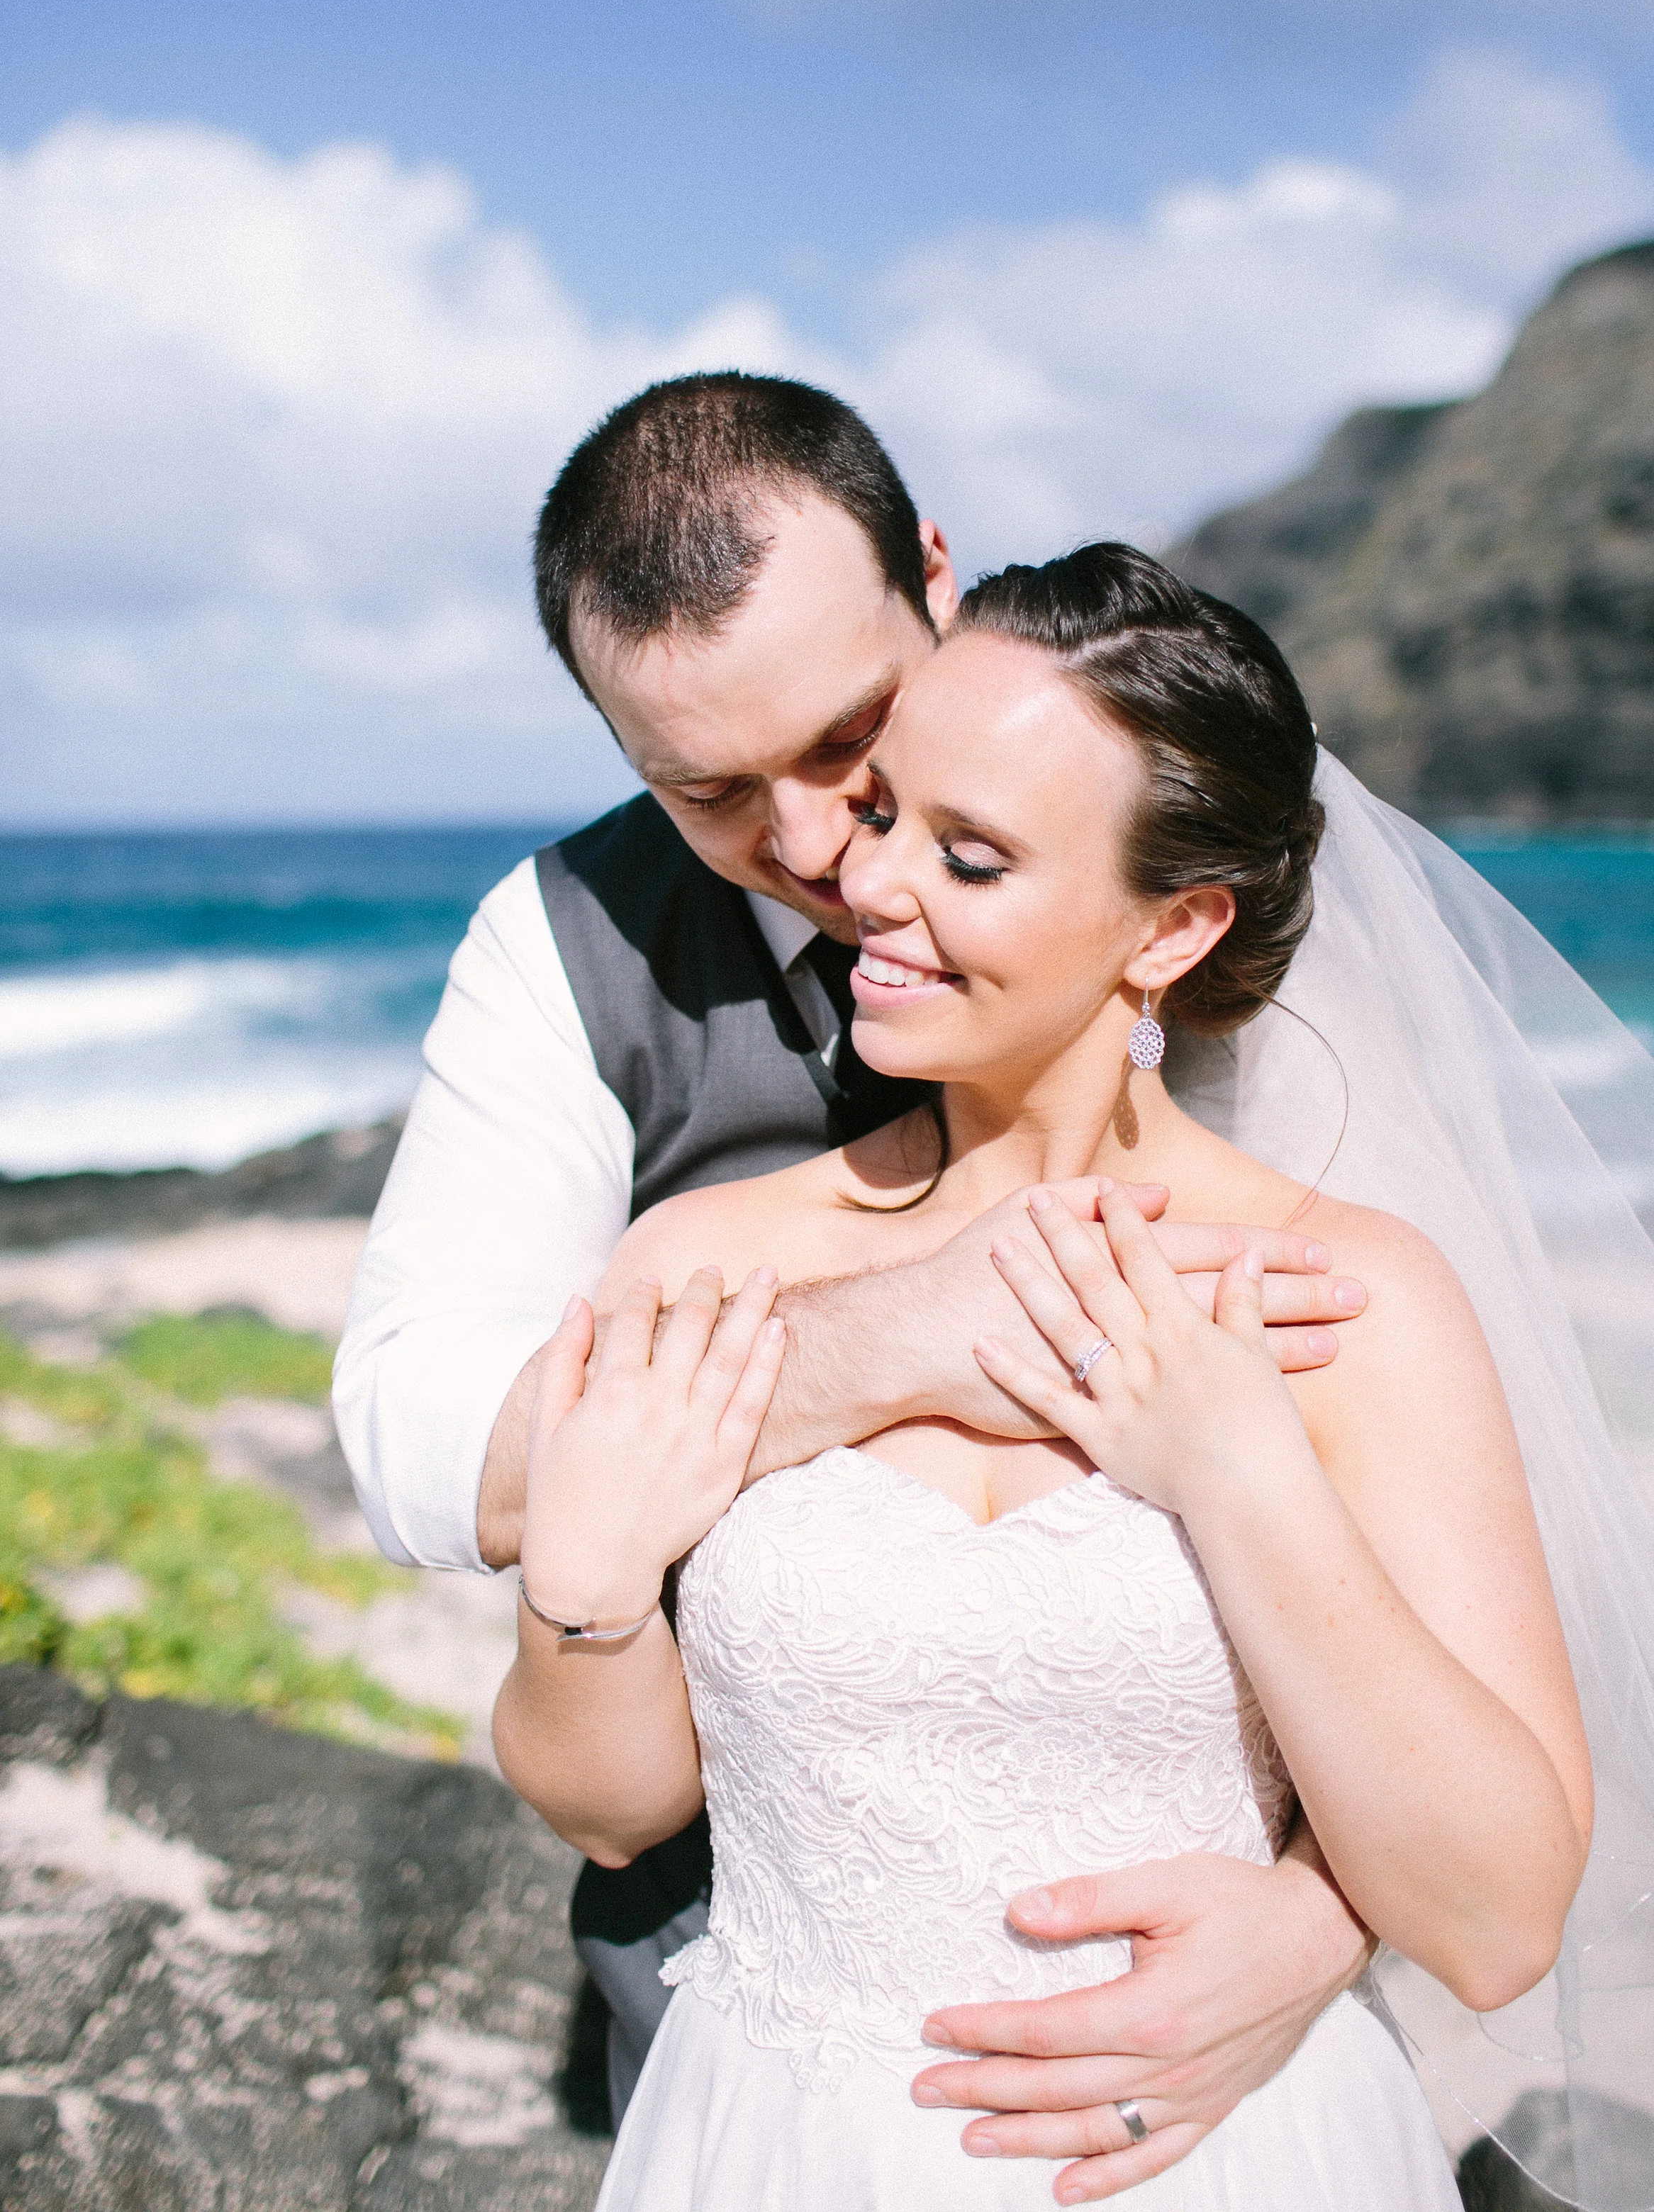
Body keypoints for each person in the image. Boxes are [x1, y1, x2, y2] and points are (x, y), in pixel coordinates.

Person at [334, 377, 1380, 2169]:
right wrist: (893, 1334)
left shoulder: (1151, 837)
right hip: (755, 2017)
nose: (821, 844)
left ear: (937, 579)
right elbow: (413, 1437)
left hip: (1218, 2038)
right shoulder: (553, 950)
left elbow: (1410, 1467)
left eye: (847, 739)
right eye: (708, 790)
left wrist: (1332, 1908)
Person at [493, 544, 1597, 2208]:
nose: (871, 886)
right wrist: (584, 1596)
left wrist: (1235, 1468)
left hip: (1221, 2160)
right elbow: (613, 1804)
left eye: (974, 857)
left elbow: (1499, 1920)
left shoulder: (1344, 1296)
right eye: (886, 819)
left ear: (1173, 926)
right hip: (782, 2143)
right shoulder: (703, 1261)